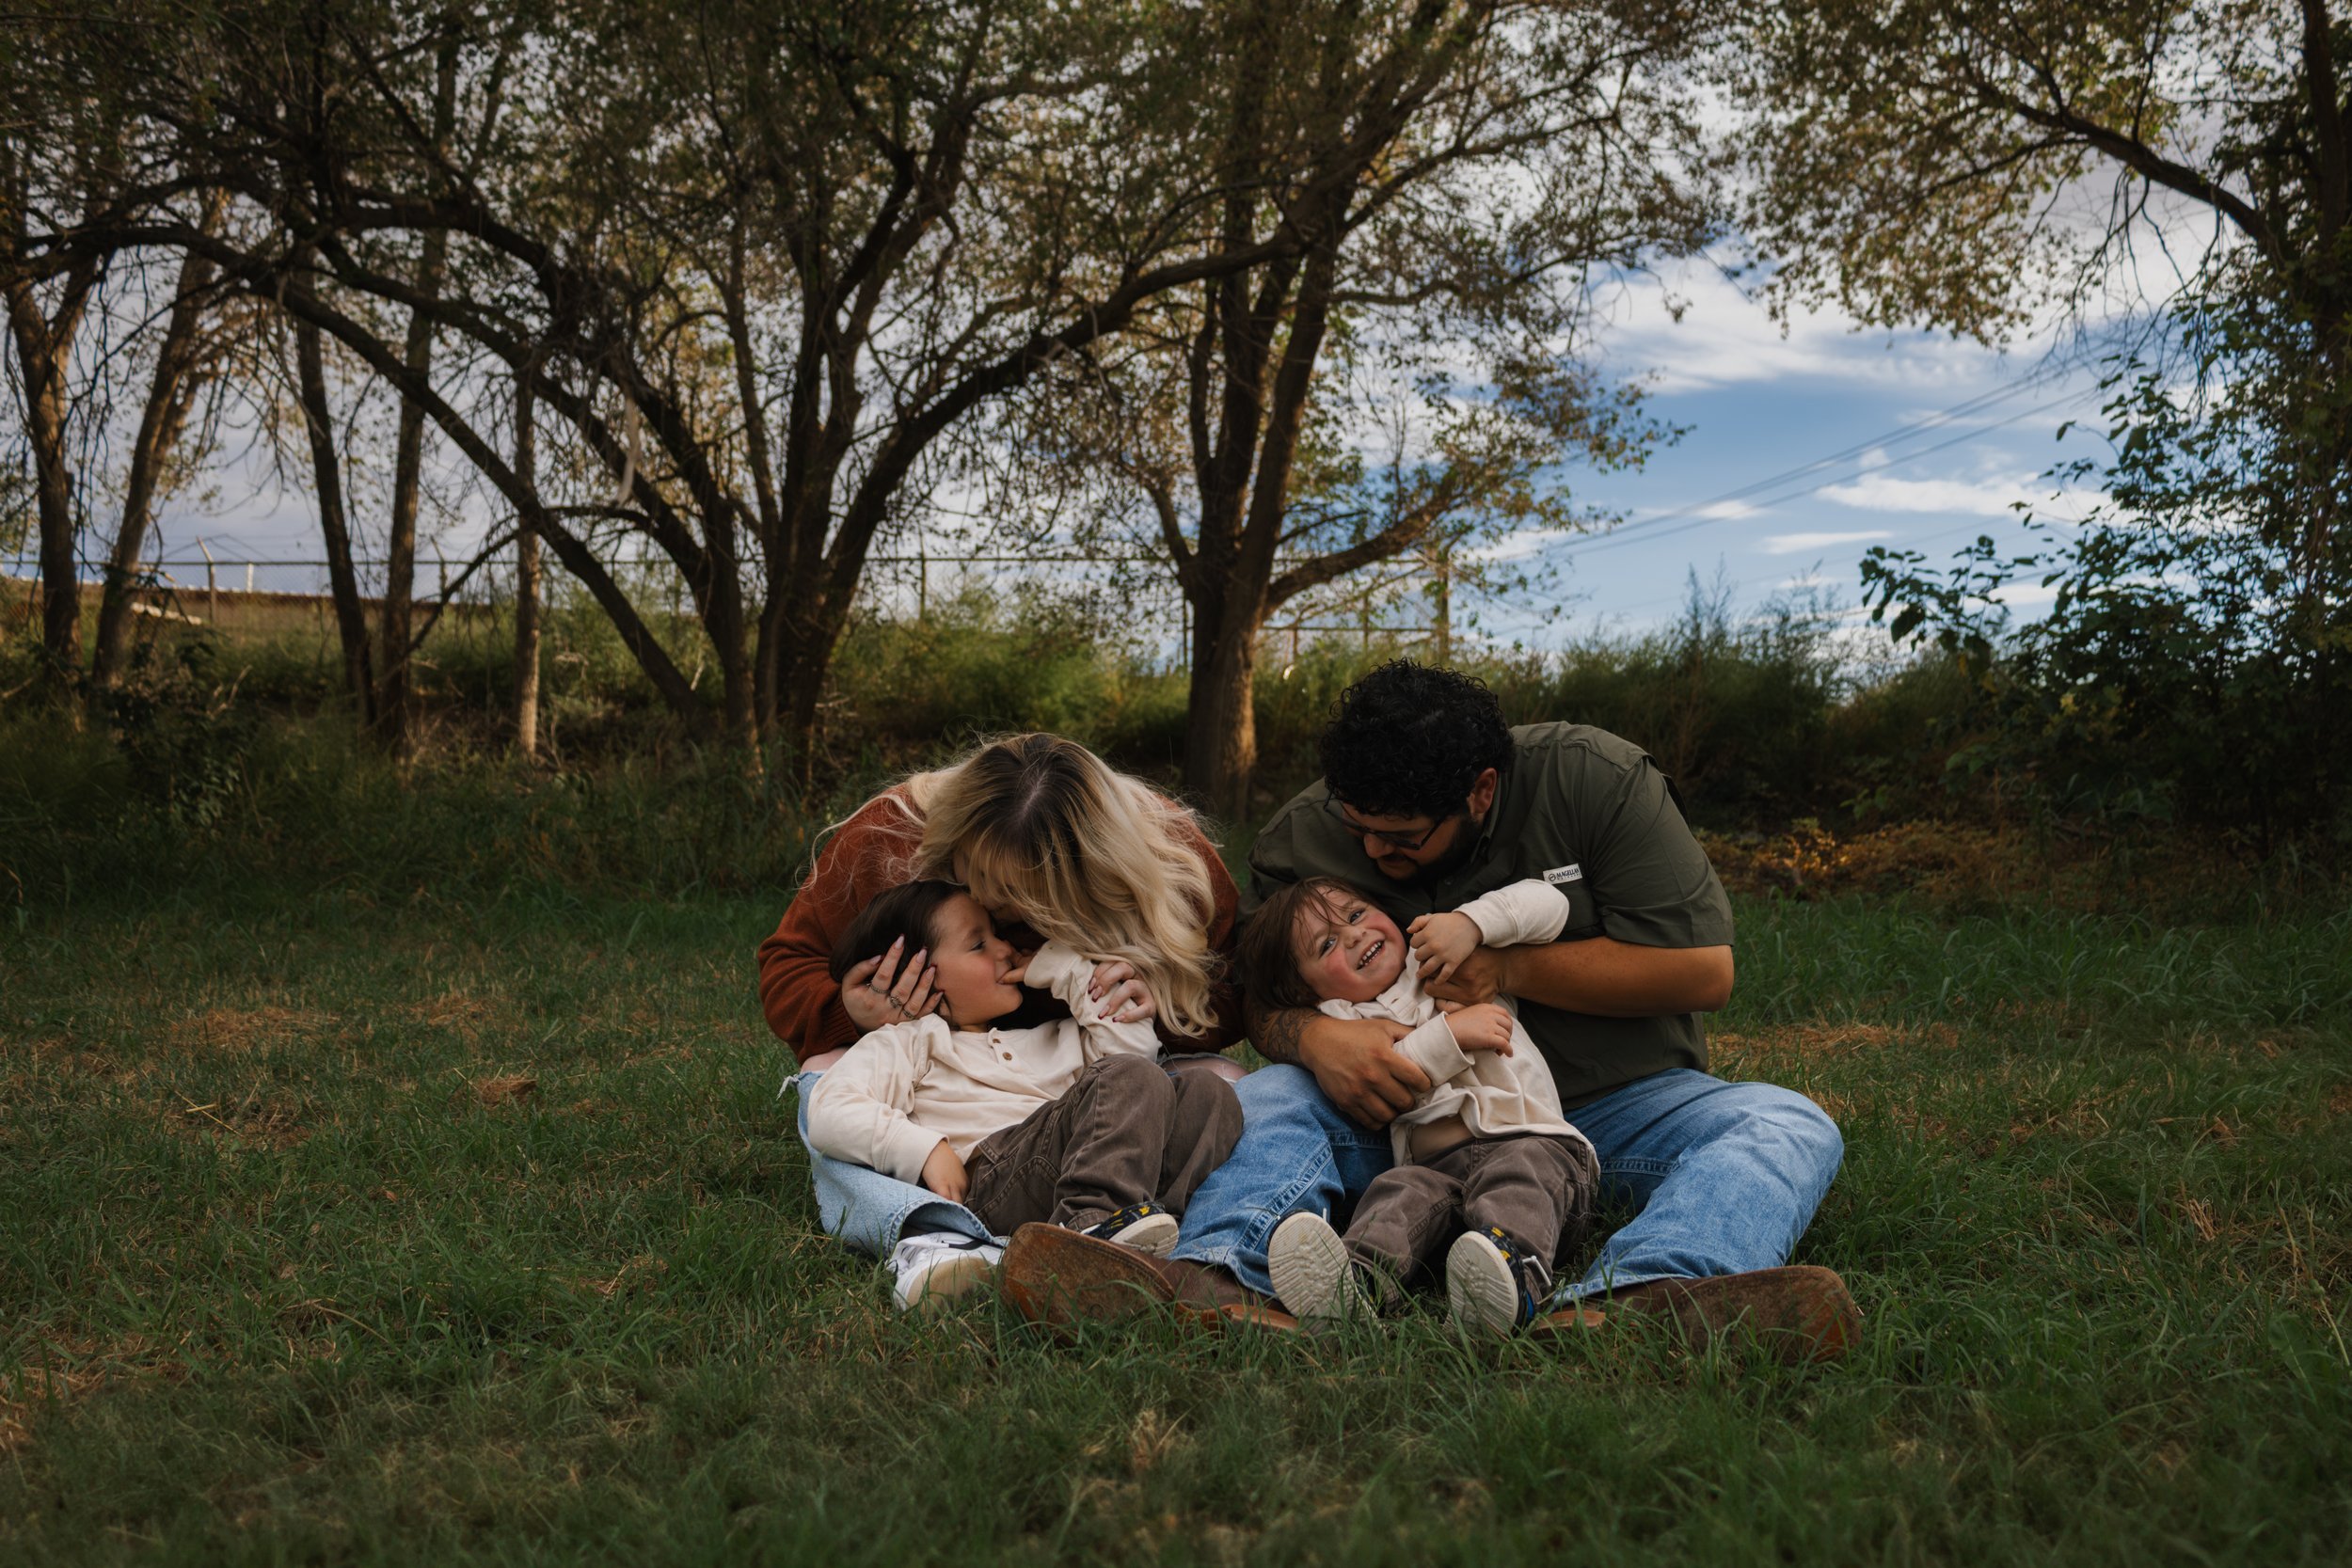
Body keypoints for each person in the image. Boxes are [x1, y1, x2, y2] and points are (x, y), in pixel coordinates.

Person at [1000, 661, 1859, 1359]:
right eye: (1359, 827)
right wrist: (1316, 1036)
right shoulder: (1313, 832)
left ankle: (1644, 1297)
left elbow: (1702, 972)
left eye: (1402, 840)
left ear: (1481, 791)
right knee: (1263, 1098)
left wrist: (1508, 966)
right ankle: (1220, 1275)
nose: (1373, 852)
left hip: (1606, 1109)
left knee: (1791, 1123)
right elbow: (1260, 998)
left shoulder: (1593, 780)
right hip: (1411, 1114)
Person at [758, 734, 1245, 1308]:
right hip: (986, 1169)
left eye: (1035, 903)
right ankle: (965, 1233)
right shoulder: (888, 857)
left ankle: (1154, 1236)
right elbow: (796, 996)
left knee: (1212, 1093)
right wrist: (851, 1014)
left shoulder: (1168, 869)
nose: (1010, 935)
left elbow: (1220, 1001)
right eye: (986, 912)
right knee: (823, 1077)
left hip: (1079, 1121)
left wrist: (1130, 990)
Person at [805, 880, 1242, 1270]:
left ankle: (1150, 1235)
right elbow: (830, 1108)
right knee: (1128, 1077)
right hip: (992, 1182)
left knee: (1209, 1094)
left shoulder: (1050, 1039)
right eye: (978, 945)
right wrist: (922, 1149)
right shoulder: (911, 1041)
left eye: (996, 935)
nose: (1004, 949)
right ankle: (1083, 1234)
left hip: (1077, 1168)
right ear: (914, 975)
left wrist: (1067, 969)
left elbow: (1137, 1056)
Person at [1239, 875, 1600, 1334]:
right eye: (1326, 944)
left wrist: (1471, 923)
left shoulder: (1440, 956)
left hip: (1534, 1143)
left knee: (1521, 1175)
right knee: (1396, 1193)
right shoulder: (1341, 1021)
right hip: (1434, 1167)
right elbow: (1389, 1070)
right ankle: (1354, 1284)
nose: (1353, 935)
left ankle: (1511, 1277)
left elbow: (1551, 904)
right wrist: (1452, 1036)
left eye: (1355, 915)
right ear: (1304, 993)